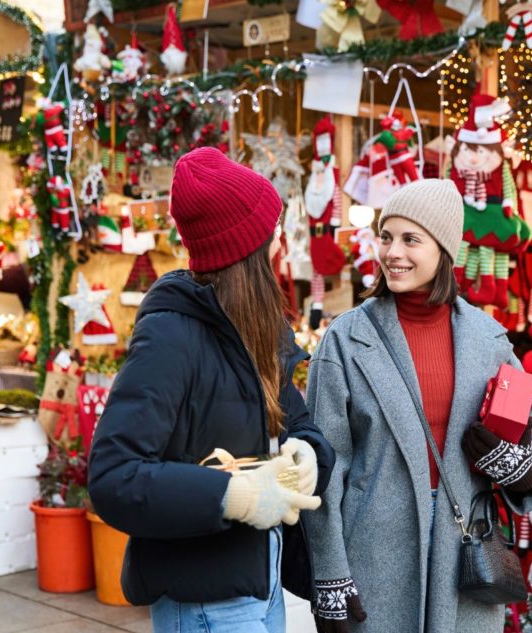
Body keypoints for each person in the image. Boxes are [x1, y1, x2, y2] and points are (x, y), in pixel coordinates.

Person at [89, 147, 336, 633]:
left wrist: (308, 455)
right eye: (274, 233)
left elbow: (297, 422)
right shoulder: (171, 336)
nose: (281, 244)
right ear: (246, 252)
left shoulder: (260, 328)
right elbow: (114, 476)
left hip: (261, 580)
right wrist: (234, 496)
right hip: (204, 599)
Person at [302, 179, 532, 633]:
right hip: (374, 557)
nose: (393, 252)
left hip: (466, 558)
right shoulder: (346, 339)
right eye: (387, 236)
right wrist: (330, 572)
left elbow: (529, 444)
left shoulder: (488, 339)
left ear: (443, 251)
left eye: (410, 239)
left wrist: (514, 466)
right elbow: (323, 467)